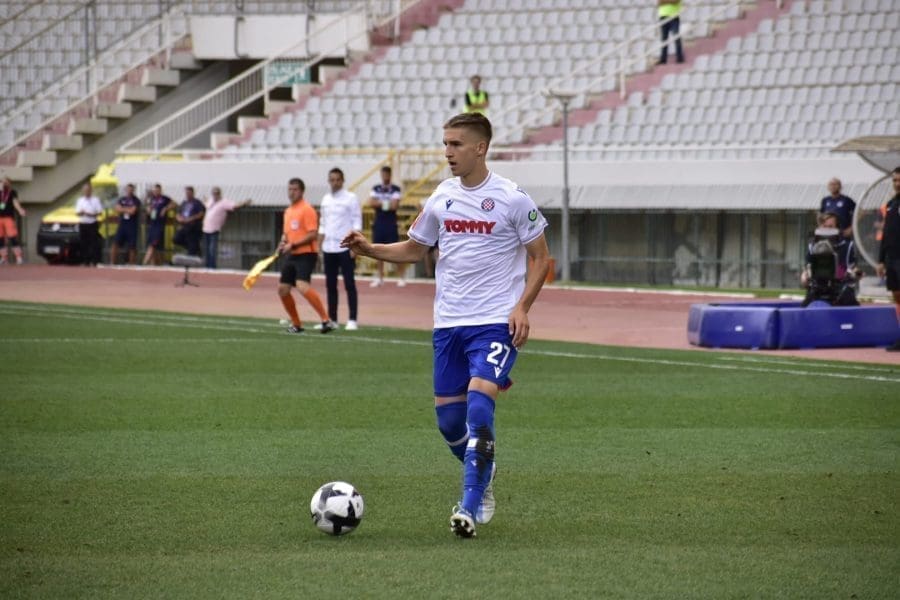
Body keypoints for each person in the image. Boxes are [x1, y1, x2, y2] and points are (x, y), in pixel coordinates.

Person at [342, 112, 552, 538]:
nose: (447, 152)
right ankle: (483, 468)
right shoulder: (442, 196)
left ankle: (469, 506)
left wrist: (522, 307)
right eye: (445, 144)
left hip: (494, 322)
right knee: (449, 424)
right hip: (448, 325)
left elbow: (541, 258)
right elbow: (414, 249)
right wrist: (368, 249)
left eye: (455, 144)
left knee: (479, 404)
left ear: (480, 147)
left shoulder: (512, 198)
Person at [277, 178, 334, 334]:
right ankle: (296, 324)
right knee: (283, 289)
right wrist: (282, 243)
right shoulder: (288, 211)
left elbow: (312, 234)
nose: (292, 192)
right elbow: (286, 234)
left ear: (302, 191)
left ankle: (326, 320)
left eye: (295, 189)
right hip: (292, 254)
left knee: (302, 285)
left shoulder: (307, 209)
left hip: (306, 253)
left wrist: (293, 244)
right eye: (290, 189)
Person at [319, 167, 361, 330]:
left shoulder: (351, 198)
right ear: (329, 181)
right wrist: (319, 246)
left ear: (342, 180)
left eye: (338, 179)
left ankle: (352, 319)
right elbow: (322, 224)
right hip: (328, 247)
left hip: (345, 247)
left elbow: (357, 222)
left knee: (349, 284)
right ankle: (333, 319)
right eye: (332, 180)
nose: (335, 182)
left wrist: (354, 247)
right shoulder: (325, 199)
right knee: (330, 285)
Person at [800, 212, 859, 307]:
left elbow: (853, 268)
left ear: (837, 228)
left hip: (840, 288)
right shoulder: (812, 246)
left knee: (848, 297)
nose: (827, 230)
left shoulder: (848, 246)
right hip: (817, 288)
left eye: (831, 227)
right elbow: (807, 268)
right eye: (825, 226)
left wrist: (855, 273)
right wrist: (804, 276)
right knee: (805, 306)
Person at [369, 165, 407, 287]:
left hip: (391, 223)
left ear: (390, 175)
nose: (385, 176)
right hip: (379, 222)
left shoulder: (396, 189)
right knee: (377, 250)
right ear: (381, 175)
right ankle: (380, 278)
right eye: (383, 174)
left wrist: (380, 203)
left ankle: (401, 277)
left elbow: (394, 206)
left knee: (396, 250)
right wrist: (387, 204)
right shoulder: (376, 188)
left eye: (387, 174)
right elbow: (371, 203)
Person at [876, 167, 900, 351]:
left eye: (899, 180)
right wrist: (881, 260)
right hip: (892, 257)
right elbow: (886, 233)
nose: (897, 184)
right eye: (894, 180)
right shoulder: (891, 203)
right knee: (897, 296)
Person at [202, 186, 251, 269]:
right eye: (214, 193)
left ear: (219, 194)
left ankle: (212, 266)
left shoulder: (224, 202)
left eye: (217, 193)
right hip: (206, 228)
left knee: (212, 249)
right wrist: (204, 199)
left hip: (214, 229)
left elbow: (234, 206)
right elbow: (206, 204)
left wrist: (244, 203)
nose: (215, 195)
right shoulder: (210, 201)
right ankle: (206, 265)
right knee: (206, 249)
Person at [110, 183, 141, 265]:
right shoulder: (122, 199)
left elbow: (133, 211)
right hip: (122, 224)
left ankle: (131, 263)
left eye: (131, 189)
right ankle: (112, 262)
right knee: (115, 243)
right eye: (128, 189)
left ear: (133, 190)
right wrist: (127, 209)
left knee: (132, 246)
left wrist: (123, 209)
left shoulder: (136, 200)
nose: (129, 191)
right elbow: (117, 208)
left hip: (132, 225)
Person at [142, 184, 173, 265]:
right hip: (152, 224)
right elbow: (146, 207)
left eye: (158, 190)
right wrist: (148, 209)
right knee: (155, 246)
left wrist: (165, 208)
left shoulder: (164, 198)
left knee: (153, 245)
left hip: (159, 225)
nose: (156, 192)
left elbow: (173, 204)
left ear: (160, 190)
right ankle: (154, 264)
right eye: (155, 190)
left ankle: (144, 263)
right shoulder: (151, 199)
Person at [75, 183, 103, 266]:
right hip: (83, 223)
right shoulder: (80, 200)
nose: (86, 192)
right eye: (85, 190)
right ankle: (85, 261)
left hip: (92, 223)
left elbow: (99, 212)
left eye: (88, 190)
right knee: (84, 243)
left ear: (91, 191)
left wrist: (90, 214)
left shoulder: (95, 200)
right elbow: (77, 212)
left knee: (93, 243)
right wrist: (82, 213)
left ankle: (94, 261)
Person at [0, 177, 26, 265]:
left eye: (6, 182)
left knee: (12, 237)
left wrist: (20, 210)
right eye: (2, 182)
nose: (4, 184)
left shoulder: (12, 192)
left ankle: (18, 257)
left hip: (8, 218)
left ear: (10, 183)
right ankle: (3, 258)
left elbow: (15, 202)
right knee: (0, 239)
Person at [173, 186, 205, 257]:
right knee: (176, 239)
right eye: (187, 193)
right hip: (184, 226)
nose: (188, 194)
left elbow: (201, 214)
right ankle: (195, 248)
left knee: (191, 247)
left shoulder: (197, 202)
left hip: (193, 227)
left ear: (193, 193)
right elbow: (178, 213)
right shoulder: (184, 202)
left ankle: (194, 251)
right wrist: (179, 218)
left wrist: (190, 219)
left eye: (189, 193)